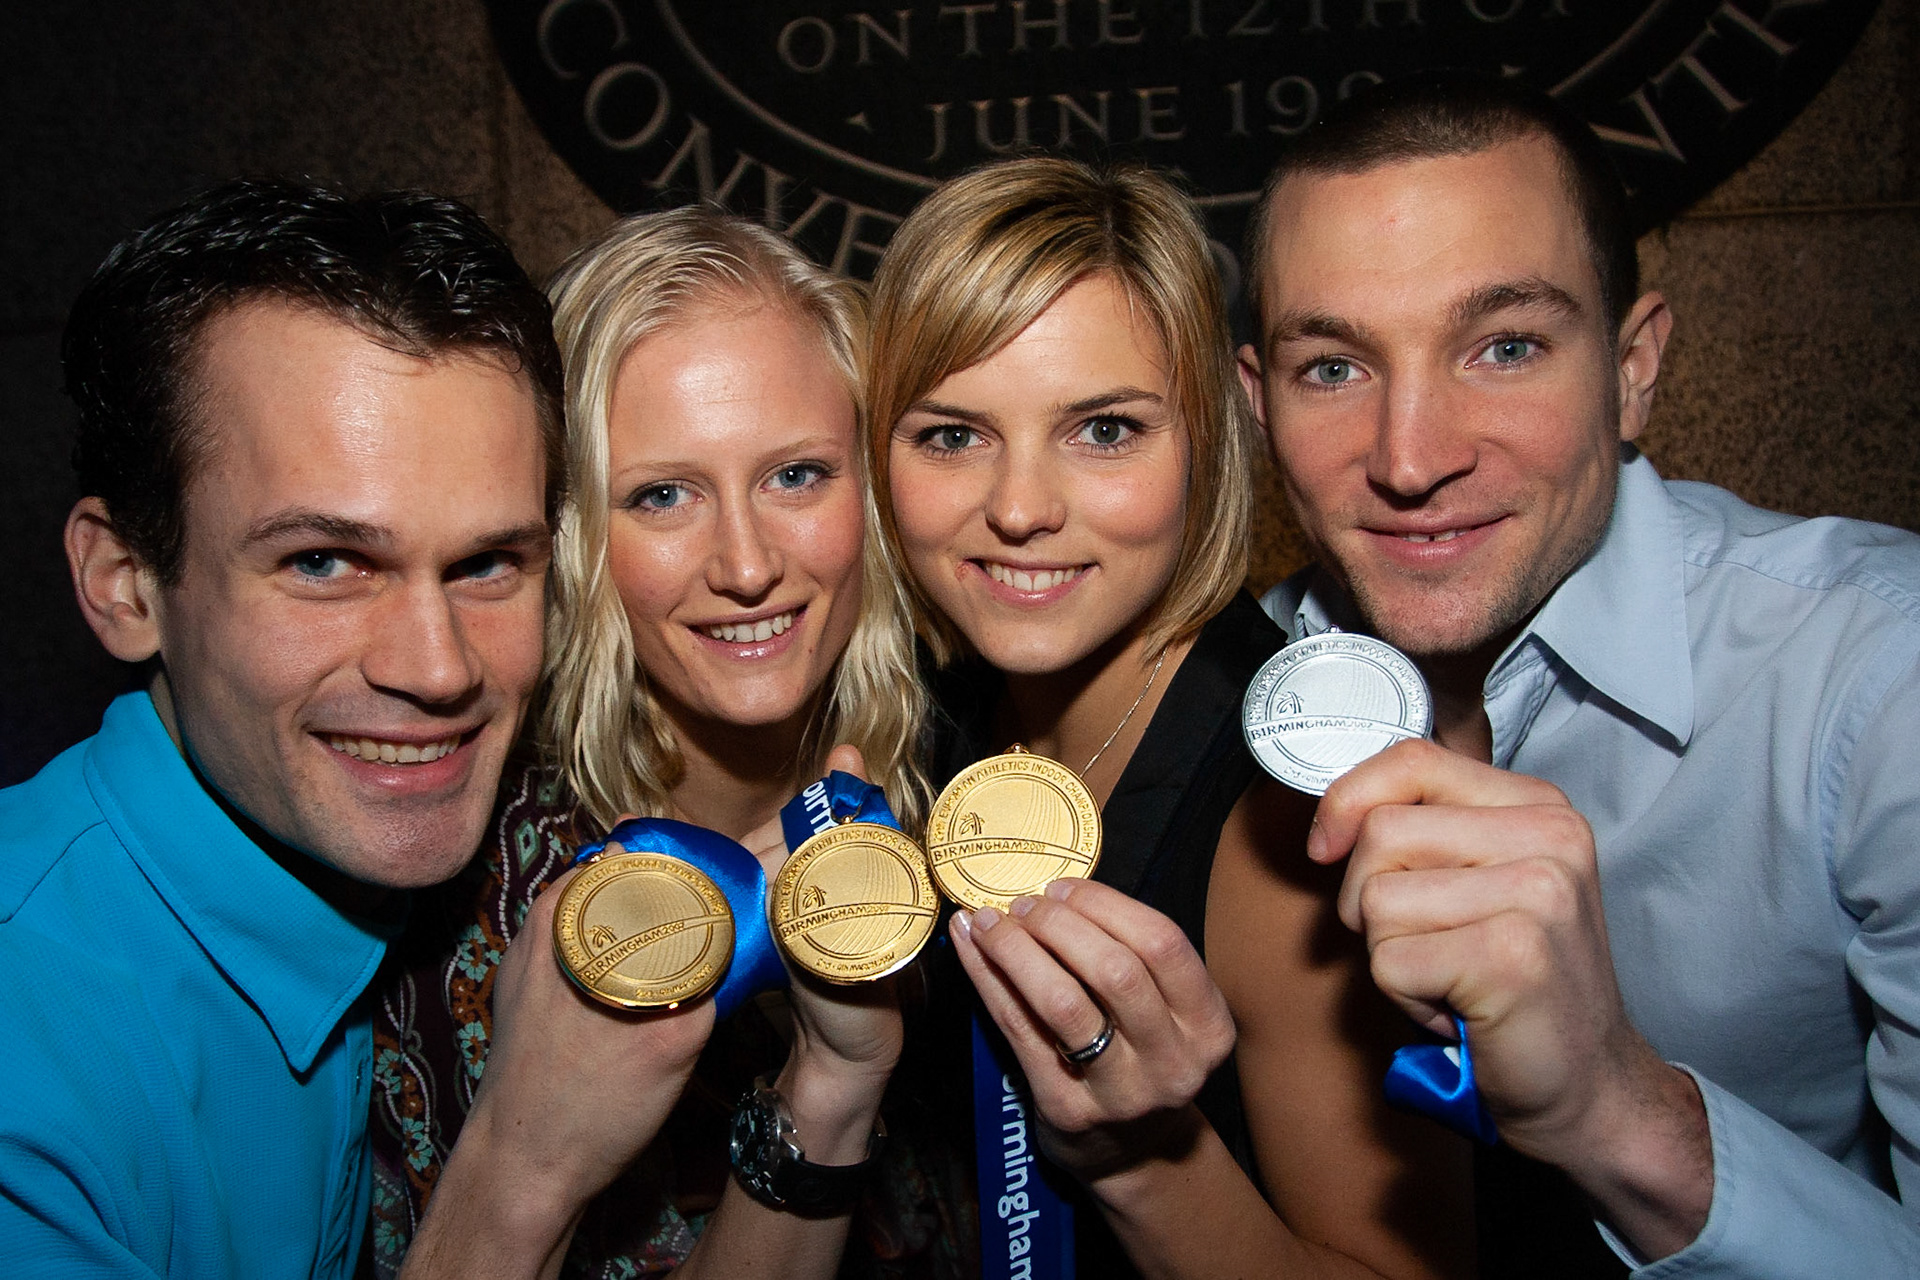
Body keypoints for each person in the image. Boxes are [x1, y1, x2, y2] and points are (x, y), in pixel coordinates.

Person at [1239, 73, 1920, 1277]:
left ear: (1635, 365)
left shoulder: (1874, 686)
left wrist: (1617, 1106)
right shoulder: (1221, 686)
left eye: (1504, 347)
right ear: (1258, 402)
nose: (1410, 457)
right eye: (1334, 367)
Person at [0, 178, 695, 1278]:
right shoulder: (29, 1063)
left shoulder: (373, 887)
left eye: (486, 564)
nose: (438, 667)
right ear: (127, 582)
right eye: (323, 562)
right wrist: (520, 1161)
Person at [866, 156, 1472, 1279]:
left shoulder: (1287, 815)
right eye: (952, 434)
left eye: (1104, 429)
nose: (1019, 507)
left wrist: (1145, 1154)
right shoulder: (936, 717)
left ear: (1209, 436)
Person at [370, 206, 944, 1279]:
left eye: (796, 474)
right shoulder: (501, 912)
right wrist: (826, 1085)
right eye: (663, 494)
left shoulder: (927, 793)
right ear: (577, 534)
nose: (744, 562)